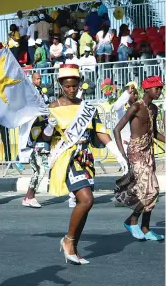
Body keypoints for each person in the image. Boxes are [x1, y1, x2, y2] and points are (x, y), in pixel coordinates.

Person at [43, 64, 128, 264]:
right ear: (60, 85)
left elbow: (100, 131)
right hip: (66, 158)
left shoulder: (87, 108)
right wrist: (49, 126)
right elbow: (43, 138)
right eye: (67, 86)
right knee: (87, 199)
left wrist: (118, 155)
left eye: (74, 86)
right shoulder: (52, 108)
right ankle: (68, 241)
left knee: (86, 204)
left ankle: (72, 245)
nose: (71, 90)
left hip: (85, 158)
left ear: (79, 84)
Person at [114, 76, 165, 241]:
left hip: (148, 152)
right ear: (147, 89)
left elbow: (154, 133)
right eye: (157, 88)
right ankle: (132, 221)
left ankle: (145, 227)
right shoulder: (136, 107)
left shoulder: (155, 109)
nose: (159, 91)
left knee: (150, 191)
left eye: (161, 88)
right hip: (136, 153)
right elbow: (117, 129)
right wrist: (122, 153)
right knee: (152, 189)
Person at [22, 75, 51, 208]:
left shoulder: (43, 95)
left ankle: (29, 196)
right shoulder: (31, 99)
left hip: (43, 138)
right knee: (39, 171)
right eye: (37, 79)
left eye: (40, 79)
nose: (39, 81)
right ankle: (30, 197)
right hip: (35, 140)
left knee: (40, 170)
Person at [113, 83, 138, 154]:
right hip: (124, 145)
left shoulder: (138, 107)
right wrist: (127, 93)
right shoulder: (122, 109)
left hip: (135, 145)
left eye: (137, 94)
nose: (136, 96)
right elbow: (116, 106)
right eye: (133, 94)